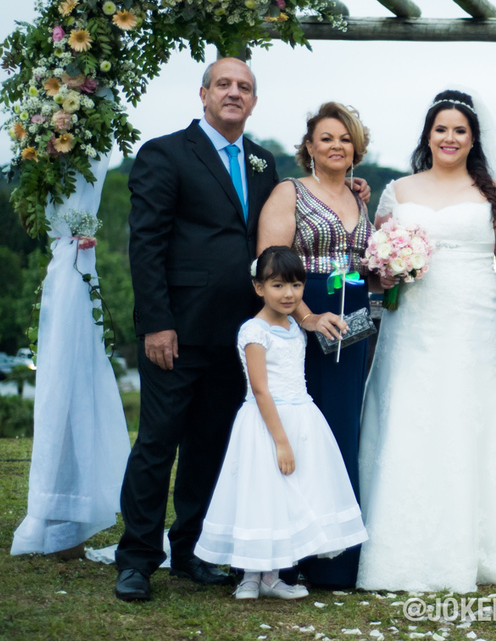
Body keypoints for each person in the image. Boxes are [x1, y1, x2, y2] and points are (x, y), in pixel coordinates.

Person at [356, 90, 496, 592]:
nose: (450, 138)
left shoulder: (495, 195)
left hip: (477, 318)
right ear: (428, 134)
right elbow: (377, 266)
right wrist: (386, 266)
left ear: (473, 138)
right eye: (441, 129)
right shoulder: (396, 191)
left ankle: (493, 549)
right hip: (414, 321)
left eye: (460, 131)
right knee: (414, 416)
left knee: (478, 419)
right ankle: (404, 546)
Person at [115, 57, 279, 602]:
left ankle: (189, 550)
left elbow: (270, 235)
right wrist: (156, 323)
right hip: (177, 332)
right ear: (203, 93)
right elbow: (147, 243)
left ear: (253, 102)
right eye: (225, 85)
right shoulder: (165, 154)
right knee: (158, 444)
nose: (235, 93)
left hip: (237, 334)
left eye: (245, 88)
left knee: (210, 444)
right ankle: (137, 558)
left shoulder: (261, 162)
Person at [195, 247, 367, 600]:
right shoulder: (254, 331)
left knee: (287, 495)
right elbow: (260, 391)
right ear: (259, 288)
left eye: (296, 285)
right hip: (266, 425)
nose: (289, 294)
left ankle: (273, 577)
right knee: (261, 493)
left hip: (302, 417)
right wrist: (281, 441)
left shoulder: (295, 326)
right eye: (277, 285)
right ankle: (248, 576)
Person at [256, 101, 373, 589]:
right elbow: (269, 264)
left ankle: (336, 559)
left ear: (356, 147)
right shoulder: (290, 192)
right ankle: (288, 556)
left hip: (357, 321)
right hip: (304, 319)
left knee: (342, 430)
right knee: (303, 429)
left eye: (344, 138)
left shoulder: (361, 197)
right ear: (309, 146)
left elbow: (367, 261)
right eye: (326, 138)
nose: (336, 146)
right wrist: (305, 317)